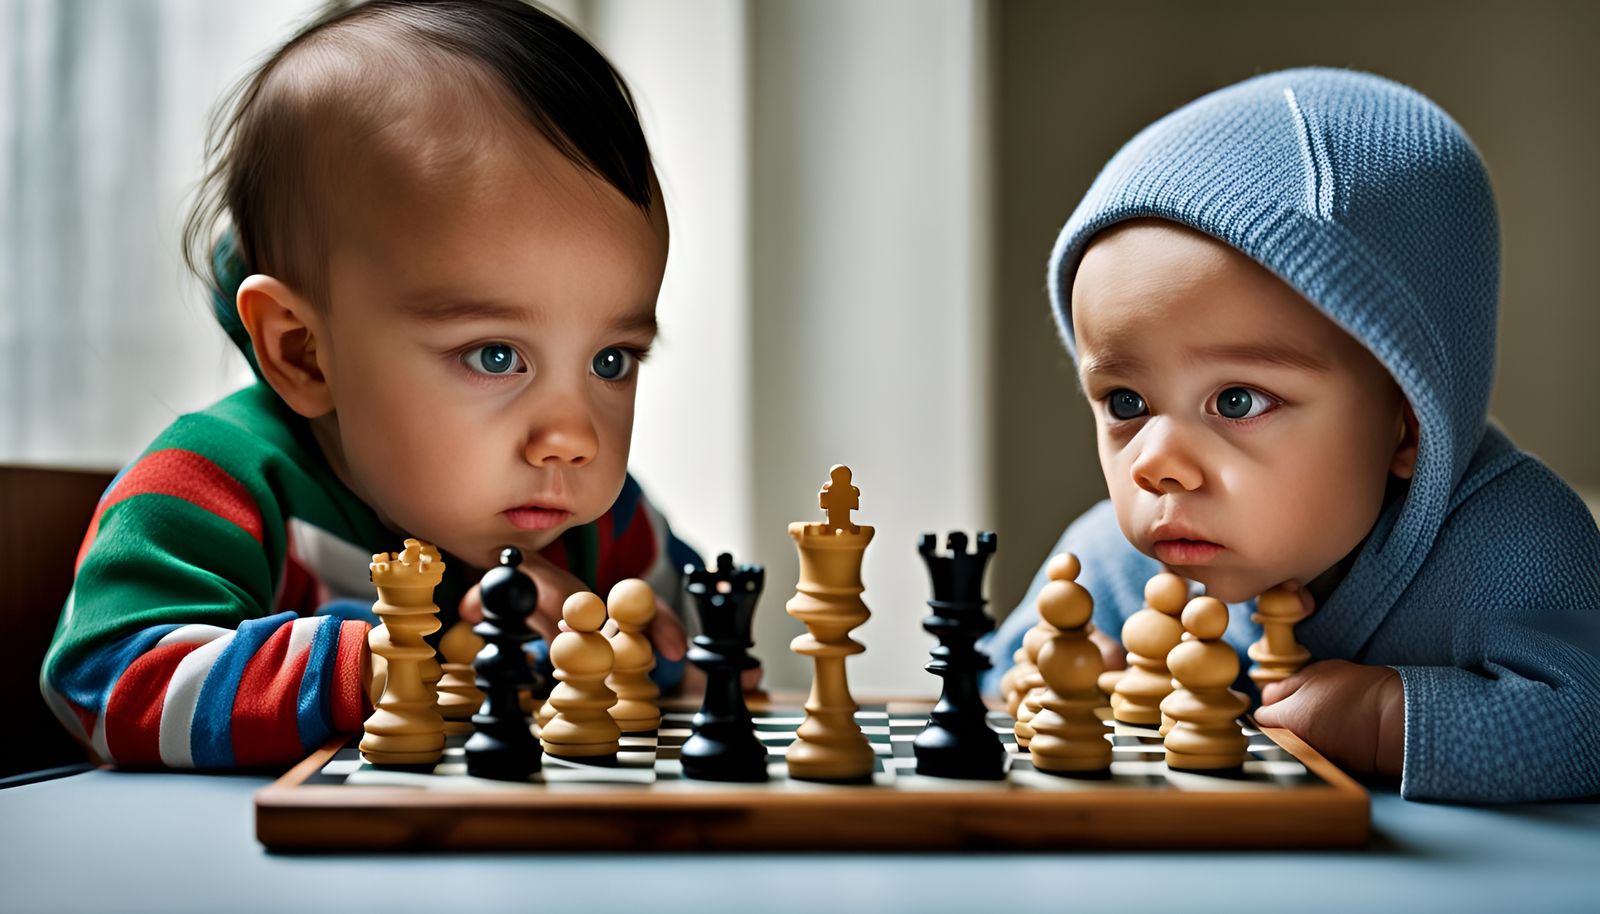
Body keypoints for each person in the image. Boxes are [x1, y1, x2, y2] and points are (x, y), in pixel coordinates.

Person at [40, 0, 704, 769]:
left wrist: (635, 644)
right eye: (495, 355)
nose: (574, 436)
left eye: (611, 361)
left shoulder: (600, 522)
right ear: (305, 353)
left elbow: (709, 650)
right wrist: (375, 665)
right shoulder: (211, 488)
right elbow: (104, 682)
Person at [986, 67, 1600, 802]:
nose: (1156, 464)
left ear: (1405, 421)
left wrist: (1386, 717)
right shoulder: (1117, 564)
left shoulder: (1515, 544)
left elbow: (1587, 717)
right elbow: (997, 672)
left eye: (1237, 400)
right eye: (1126, 400)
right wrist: (1052, 673)